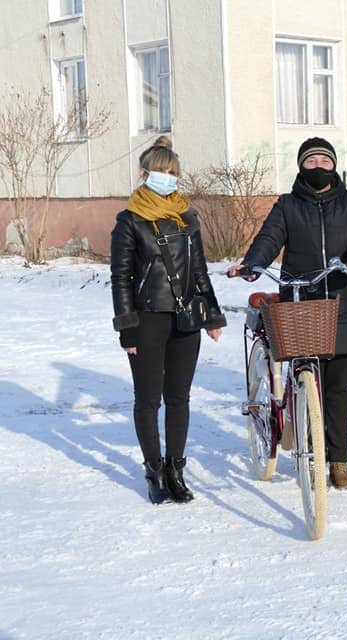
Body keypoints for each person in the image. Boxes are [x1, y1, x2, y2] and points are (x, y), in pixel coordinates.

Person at [228, 137, 347, 490]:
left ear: (334, 165)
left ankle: (338, 461)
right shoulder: (287, 205)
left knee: (340, 387)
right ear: (300, 166)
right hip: (302, 301)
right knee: (307, 383)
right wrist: (254, 263)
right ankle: (312, 453)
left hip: (346, 301)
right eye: (311, 161)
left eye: (325, 160)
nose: (319, 167)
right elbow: (269, 237)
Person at [110, 136, 227, 504]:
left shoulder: (187, 215)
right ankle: (154, 470)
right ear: (145, 174)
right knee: (148, 400)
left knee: (179, 398)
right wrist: (127, 326)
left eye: (173, 172)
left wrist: (212, 314)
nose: (168, 178)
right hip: (147, 319)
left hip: (186, 318)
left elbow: (200, 271)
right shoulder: (129, 221)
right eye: (162, 172)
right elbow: (121, 277)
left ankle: (176, 469)